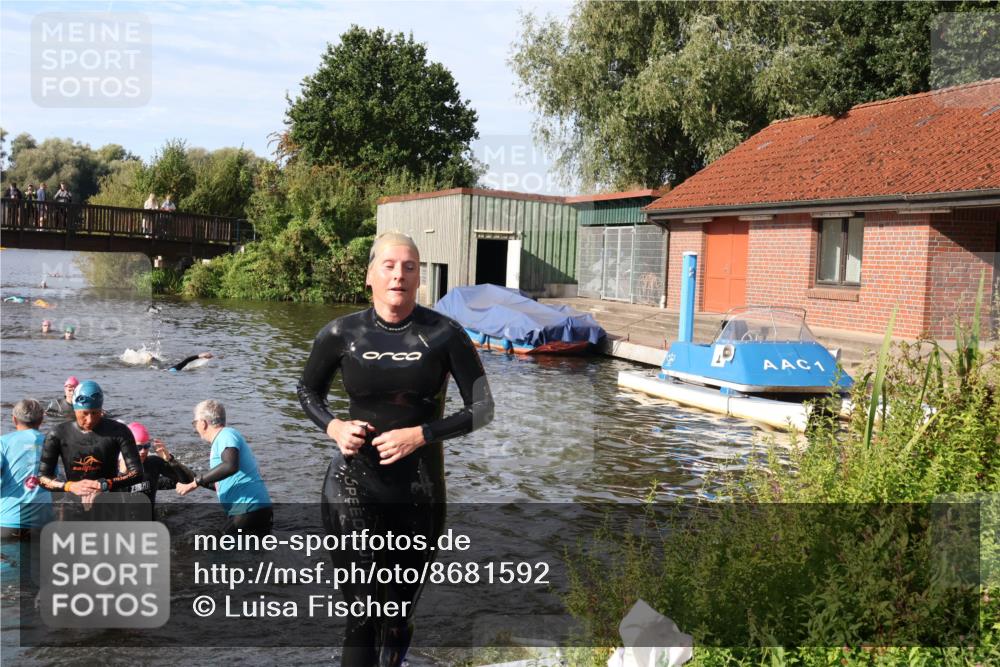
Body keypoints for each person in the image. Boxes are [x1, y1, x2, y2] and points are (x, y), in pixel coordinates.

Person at [297, 231, 494, 667]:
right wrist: (333, 427)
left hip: (419, 491)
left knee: (397, 614)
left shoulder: (445, 335)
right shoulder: (341, 333)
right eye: (388, 265)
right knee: (363, 613)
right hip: (352, 485)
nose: (398, 275)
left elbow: (483, 408)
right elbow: (307, 390)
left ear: (419, 277)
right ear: (370, 275)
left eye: (409, 267)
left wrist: (421, 434)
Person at [175, 400, 272, 535]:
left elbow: (230, 466)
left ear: (203, 423)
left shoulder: (226, 435)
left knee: (218, 552)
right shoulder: (222, 439)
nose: (195, 427)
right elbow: (221, 482)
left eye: (194, 423)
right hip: (254, 509)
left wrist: (195, 483)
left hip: (248, 509)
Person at [37, 380, 143, 501]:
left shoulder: (119, 431)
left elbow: (137, 473)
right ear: (75, 410)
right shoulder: (57, 434)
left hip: (110, 502)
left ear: (101, 410)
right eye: (85, 413)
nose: (90, 419)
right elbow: (42, 478)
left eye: (95, 413)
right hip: (74, 502)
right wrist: (69, 486)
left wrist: (104, 485)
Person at [1, 399, 53, 539]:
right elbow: (53, 481)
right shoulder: (51, 442)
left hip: (8, 522)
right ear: (41, 419)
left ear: (14, 419)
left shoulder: (3, 443)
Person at [120, 422, 195, 508]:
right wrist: (122, 474)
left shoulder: (153, 463)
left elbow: (189, 480)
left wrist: (170, 459)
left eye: (146, 446)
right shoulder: (113, 467)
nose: (143, 451)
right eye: (138, 447)